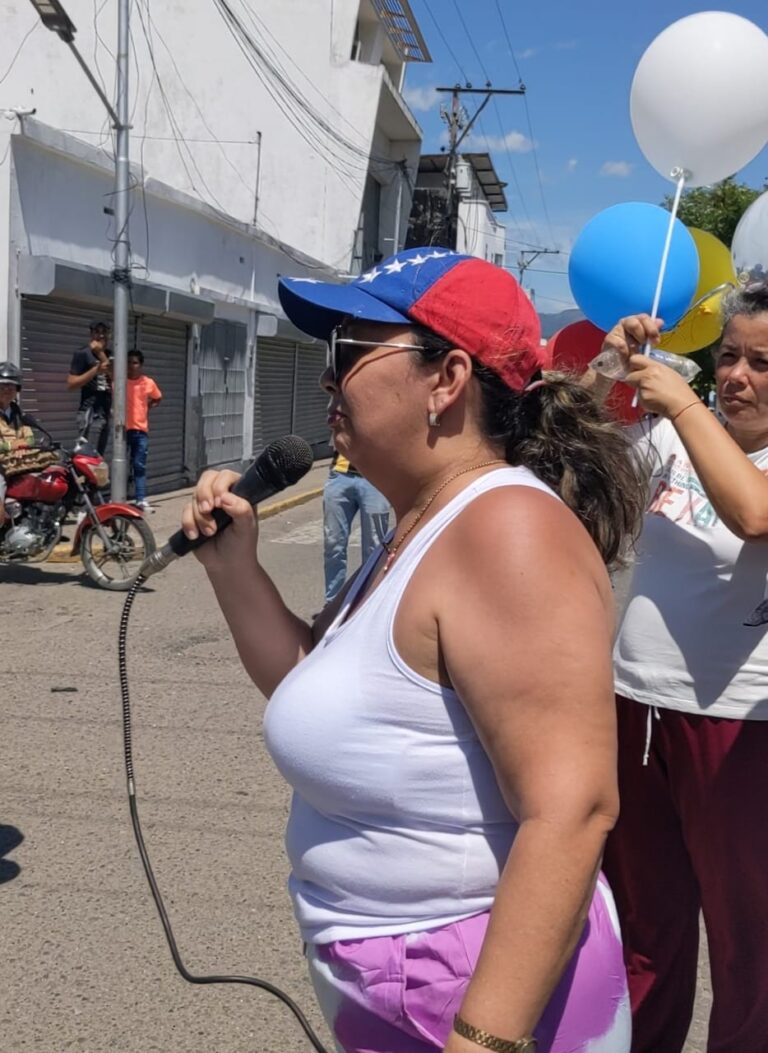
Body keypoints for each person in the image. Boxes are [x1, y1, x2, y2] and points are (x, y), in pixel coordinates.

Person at [180, 248, 646, 1053]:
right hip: (406, 987)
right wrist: (235, 569)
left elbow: (572, 809)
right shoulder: (421, 525)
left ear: (447, 378)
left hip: (478, 999)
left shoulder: (507, 531)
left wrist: (484, 1038)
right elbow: (313, 683)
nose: (328, 381)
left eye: (347, 354)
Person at [595, 283, 768, 1053]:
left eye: (762, 363)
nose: (736, 376)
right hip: (634, 709)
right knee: (642, 933)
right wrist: (609, 370)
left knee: (750, 945)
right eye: (727, 355)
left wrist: (685, 405)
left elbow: (754, 515)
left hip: (743, 729)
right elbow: (567, 460)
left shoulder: (693, 425)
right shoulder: (670, 439)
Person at [323, 448, 390, 601]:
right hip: (341, 474)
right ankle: (332, 603)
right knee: (333, 543)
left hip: (376, 478)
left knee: (374, 549)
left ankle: (367, 602)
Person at [0, 361, 57, 525]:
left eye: (11, 386)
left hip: (18, 462)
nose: (7, 390)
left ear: (17, 390)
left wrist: (24, 445)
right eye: (3, 385)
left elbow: (29, 437)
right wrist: (11, 446)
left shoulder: (17, 411)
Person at [66, 320, 112, 454]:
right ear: (91, 334)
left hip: (105, 413)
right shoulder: (82, 353)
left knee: (99, 458)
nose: (101, 335)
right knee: (89, 458)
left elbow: (116, 377)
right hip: (90, 413)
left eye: (104, 332)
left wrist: (101, 354)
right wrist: (95, 371)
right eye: (97, 332)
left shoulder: (109, 355)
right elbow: (71, 384)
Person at [125, 349, 162, 512]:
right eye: (129, 362)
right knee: (122, 464)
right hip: (123, 432)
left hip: (140, 431)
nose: (132, 366)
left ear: (140, 365)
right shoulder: (119, 381)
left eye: (135, 362)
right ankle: (120, 496)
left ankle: (140, 499)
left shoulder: (147, 382)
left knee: (139, 465)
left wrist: (147, 407)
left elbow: (157, 397)